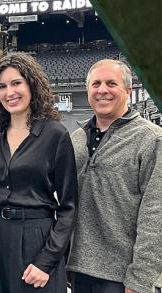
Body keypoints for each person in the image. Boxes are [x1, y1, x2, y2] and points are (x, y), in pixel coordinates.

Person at [0, 53, 78, 292]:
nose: (10, 92)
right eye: (2, 86)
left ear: (31, 85)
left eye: (17, 83)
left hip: (37, 239)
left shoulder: (55, 135)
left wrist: (47, 260)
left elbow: (69, 206)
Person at [67, 59, 162, 293]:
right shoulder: (75, 139)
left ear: (128, 90)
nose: (102, 90)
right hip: (78, 270)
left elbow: (156, 214)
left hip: (123, 278)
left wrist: (141, 279)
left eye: (111, 83)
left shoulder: (151, 139)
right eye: (96, 84)